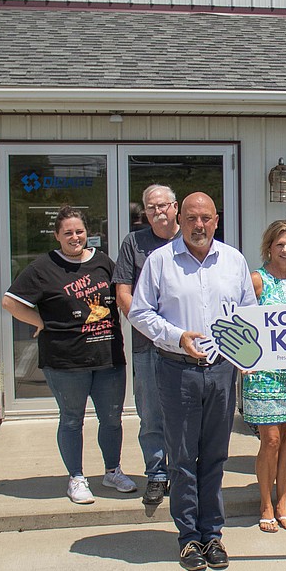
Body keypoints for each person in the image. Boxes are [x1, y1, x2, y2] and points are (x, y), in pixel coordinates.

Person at [129, 192, 257, 571]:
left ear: (216, 220)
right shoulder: (159, 261)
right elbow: (139, 312)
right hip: (176, 369)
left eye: (205, 218)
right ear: (179, 219)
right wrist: (175, 336)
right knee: (183, 458)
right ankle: (188, 539)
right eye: (191, 218)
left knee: (216, 455)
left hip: (221, 371)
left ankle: (212, 534)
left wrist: (247, 354)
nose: (198, 225)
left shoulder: (233, 260)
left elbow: (248, 313)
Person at [3, 206, 133, 505]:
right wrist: (39, 322)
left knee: (112, 419)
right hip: (65, 361)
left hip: (108, 357)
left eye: (79, 231)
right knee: (72, 420)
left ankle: (112, 471)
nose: (75, 237)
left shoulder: (102, 262)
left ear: (87, 232)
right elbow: (10, 302)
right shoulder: (43, 267)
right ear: (57, 236)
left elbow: (122, 295)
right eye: (68, 233)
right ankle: (76, 477)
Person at [241, 220, 286, 533]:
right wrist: (242, 358)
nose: (285, 250)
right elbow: (239, 321)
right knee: (269, 440)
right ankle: (265, 503)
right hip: (263, 373)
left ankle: (282, 502)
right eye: (280, 244)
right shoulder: (257, 280)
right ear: (269, 246)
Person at [114, 184, 179, 505]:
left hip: (186, 346)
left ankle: (181, 472)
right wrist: (151, 328)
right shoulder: (134, 243)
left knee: (185, 412)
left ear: (175, 207)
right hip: (147, 344)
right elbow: (123, 293)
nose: (157, 212)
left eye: (163, 205)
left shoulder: (191, 239)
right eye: (151, 207)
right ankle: (156, 473)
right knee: (151, 413)